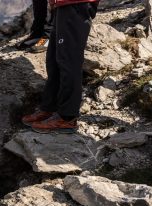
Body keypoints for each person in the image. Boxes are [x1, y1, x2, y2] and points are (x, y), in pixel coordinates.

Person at [22, 0, 99, 133]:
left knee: (68, 61)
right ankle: (50, 108)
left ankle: (67, 117)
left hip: (76, 4)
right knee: (54, 59)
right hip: (62, 5)